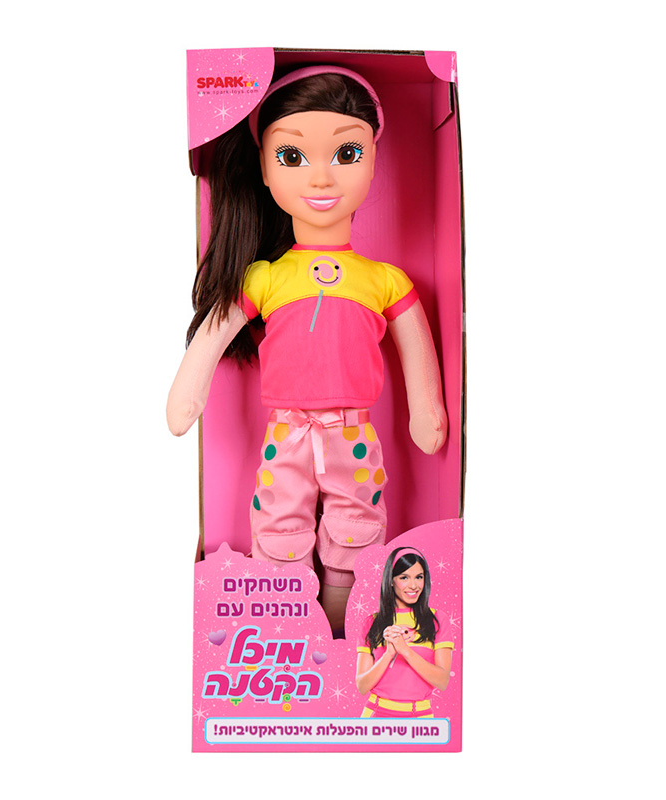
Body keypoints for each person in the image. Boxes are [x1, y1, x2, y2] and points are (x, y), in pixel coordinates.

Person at [167, 66, 447, 631]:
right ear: (265, 170)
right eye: (292, 157)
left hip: (352, 431)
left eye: (346, 154)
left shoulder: (384, 280)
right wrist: (188, 391)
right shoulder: (265, 277)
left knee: (356, 528)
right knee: (279, 528)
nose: (321, 178)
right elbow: (215, 332)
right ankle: (290, 628)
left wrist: (427, 411)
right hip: (287, 432)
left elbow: (417, 348)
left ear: (374, 158)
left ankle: (344, 629)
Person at [355, 547, 453, 717]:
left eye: (419, 577)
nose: (413, 585)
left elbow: (442, 681)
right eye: (404, 577)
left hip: (420, 716)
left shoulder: (437, 619)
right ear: (391, 580)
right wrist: (389, 653)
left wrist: (405, 650)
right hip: (375, 714)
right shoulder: (372, 622)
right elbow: (362, 686)